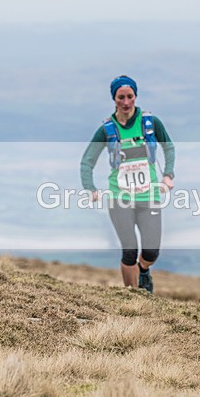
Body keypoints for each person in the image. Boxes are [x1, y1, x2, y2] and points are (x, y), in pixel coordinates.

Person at [80, 75, 176, 293]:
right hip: (119, 198)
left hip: (148, 196)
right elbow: (87, 161)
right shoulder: (107, 129)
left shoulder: (150, 123)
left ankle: (143, 271)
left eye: (130, 96)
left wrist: (168, 175)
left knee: (151, 252)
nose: (126, 102)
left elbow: (168, 147)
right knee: (129, 251)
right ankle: (133, 295)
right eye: (121, 97)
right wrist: (90, 189)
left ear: (136, 96)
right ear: (114, 99)